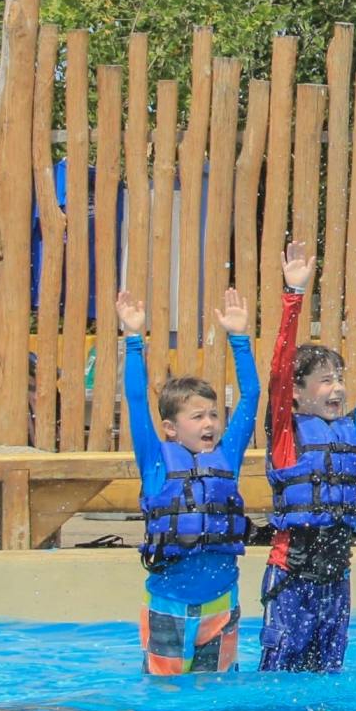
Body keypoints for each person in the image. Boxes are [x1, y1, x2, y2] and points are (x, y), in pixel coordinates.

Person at [258, 240, 356, 673]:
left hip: (336, 576)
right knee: (281, 673)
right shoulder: (287, 434)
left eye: (339, 379)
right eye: (324, 381)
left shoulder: (351, 430)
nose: (337, 389)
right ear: (299, 392)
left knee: (329, 675)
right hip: (292, 576)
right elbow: (279, 370)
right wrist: (293, 297)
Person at [117, 285, 259, 676]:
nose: (209, 423)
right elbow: (134, 401)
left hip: (220, 606)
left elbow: (251, 397)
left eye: (213, 414)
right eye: (197, 417)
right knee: (166, 701)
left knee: (215, 702)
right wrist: (133, 338)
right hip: (168, 606)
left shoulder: (226, 458)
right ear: (170, 429)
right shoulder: (156, 462)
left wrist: (240, 338)